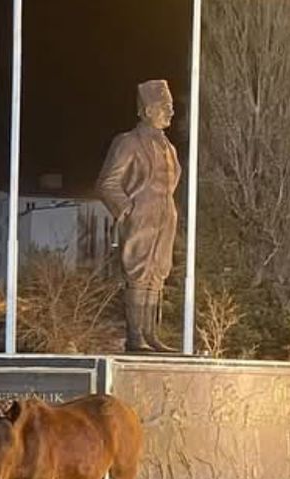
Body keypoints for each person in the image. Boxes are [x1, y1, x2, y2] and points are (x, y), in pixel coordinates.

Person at [96, 79, 182, 353]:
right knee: (138, 273)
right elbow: (107, 183)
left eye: (171, 106)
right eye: (165, 106)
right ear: (147, 110)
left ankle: (150, 335)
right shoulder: (128, 142)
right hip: (141, 214)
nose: (171, 112)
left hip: (165, 215)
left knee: (158, 273)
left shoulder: (170, 148)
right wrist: (128, 209)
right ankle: (135, 337)